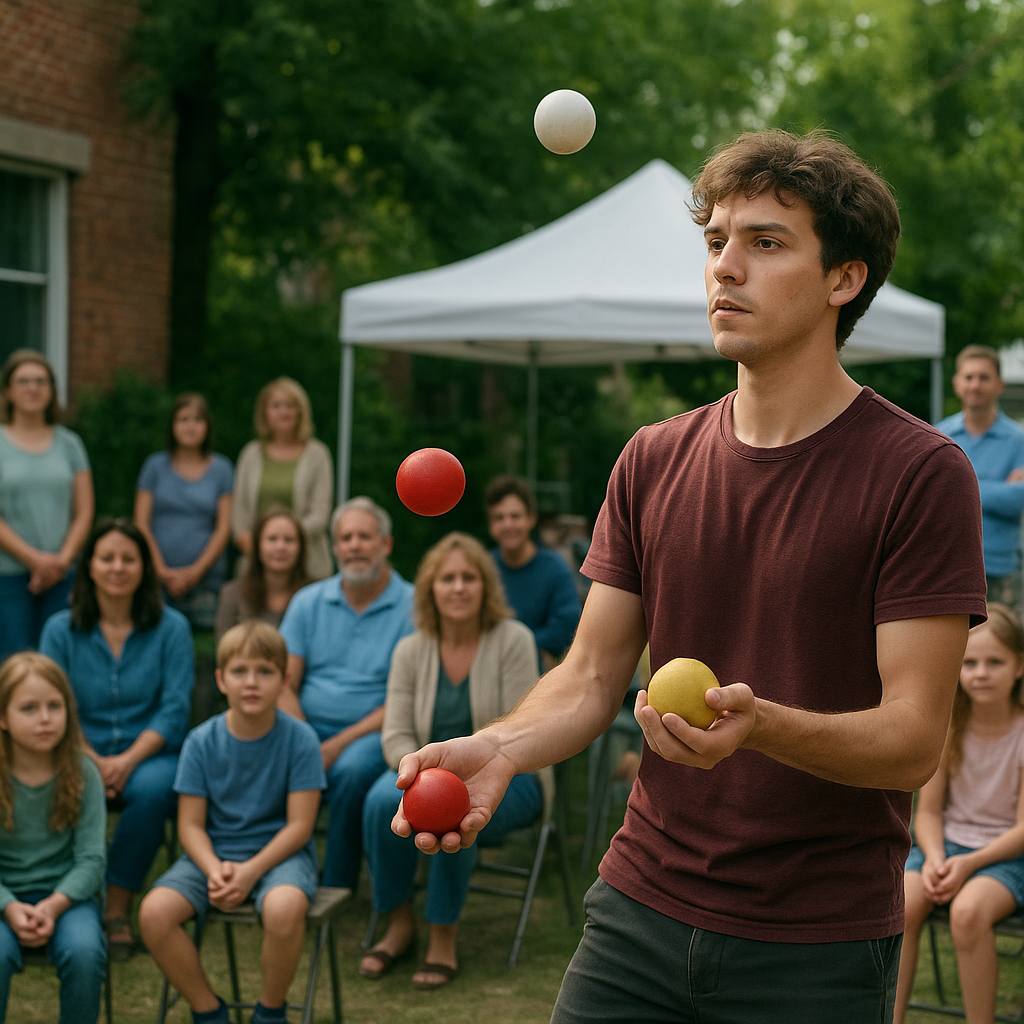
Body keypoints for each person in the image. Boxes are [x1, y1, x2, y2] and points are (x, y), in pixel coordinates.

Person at [391, 129, 988, 1024]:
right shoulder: (652, 459)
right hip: (638, 911)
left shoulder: (920, 472)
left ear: (844, 278)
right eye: (715, 241)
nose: (726, 268)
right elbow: (591, 676)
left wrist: (761, 728)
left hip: (815, 945)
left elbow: (912, 739)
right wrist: (503, 748)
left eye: (766, 243)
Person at [359, 532, 547, 989]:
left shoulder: (514, 639)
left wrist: (449, 780)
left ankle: (443, 933)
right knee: (378, 800)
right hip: (422, 772)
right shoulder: (410, 649)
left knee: (452, 812)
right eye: (447, 578)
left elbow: (525, 727)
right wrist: (417, 771)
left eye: (468, 577)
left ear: (486, 586)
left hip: (510, 776)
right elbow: (397, 732)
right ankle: (398, 921)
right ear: (430, 589)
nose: (458, 587)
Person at [138, 621, 325, 1024]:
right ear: (221, 680)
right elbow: (189, 825)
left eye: (265, 671)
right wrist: (215, 870)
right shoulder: (201, 741)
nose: (251, 683)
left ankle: (269, 1012)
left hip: (278, 857)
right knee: (154, 913)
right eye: (240, 672)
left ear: (285, 680)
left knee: (284, 907)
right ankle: (208, 1011)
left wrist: (250, 871)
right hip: (213, 855)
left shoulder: (301, 740)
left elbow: (299, 826)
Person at [39, 518, 194, 959]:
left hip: (149, 755)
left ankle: (116, 908)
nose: (118, 567)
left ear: (144, 568)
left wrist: (125, 761)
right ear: (89, 567)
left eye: (129, 559)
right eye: (107, 558)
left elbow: (175, 710)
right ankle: (57, 898)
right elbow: (54, 702)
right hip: (72, 749)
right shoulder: (59, 629)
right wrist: (89, 757)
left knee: (151, 790)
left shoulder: (172, 629)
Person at [894, 603, 1024, 1024]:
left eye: (994, 662)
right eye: (969, 662)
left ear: (1019, 667)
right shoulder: (947, 726)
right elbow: (928, 813)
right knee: (903, 902)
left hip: (1004, 855)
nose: (981, 673)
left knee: (968, 914)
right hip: (946, 846)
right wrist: (935, 858)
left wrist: (969, 863)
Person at [278, 496, 414, 889]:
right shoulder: (308, 602)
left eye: (364, 537)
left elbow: (402, 699)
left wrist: (335, 746)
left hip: (373, 732)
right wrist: (307, 740)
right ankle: (255, 868)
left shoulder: (414, 606)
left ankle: (335, 884)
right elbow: (284, 682)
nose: (354, 546)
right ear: (335, 547)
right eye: (345, 538)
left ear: (385, 545)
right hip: (304, 727)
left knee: (351, 770)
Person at [0, 652, 106, 1024]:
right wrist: (10, 907)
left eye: (54, 706)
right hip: (3, 899)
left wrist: (54, 905)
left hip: (68, 898)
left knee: (85, 952)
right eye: (29, 708)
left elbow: (91, 859)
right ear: (3, 718)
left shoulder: (84, 772)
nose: (45, 719)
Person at [0, 350, 94, 662]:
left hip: (63, 575)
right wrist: (34, 559)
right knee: (13, 665)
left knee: (60, 663)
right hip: (8, 576)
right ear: (8, 391)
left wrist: (61, 562)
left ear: (52, 390)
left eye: (41, 381)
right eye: (23, 381)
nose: (32, 388)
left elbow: (84, 511)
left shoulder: (70, 444)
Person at [133, 392, 234, 632]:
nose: (190, 426)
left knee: (205, 648)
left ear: (208, 426)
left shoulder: (222, 469)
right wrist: (160, 571)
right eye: (183, 419)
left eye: (198, 419)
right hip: (156, 578)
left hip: (206, 579)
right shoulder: (154, 467)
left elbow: (224, 528)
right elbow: (141, 523)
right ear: (172, 426)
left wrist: (195, 572)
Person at [936, 346, 1024, 612]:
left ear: (999, 385)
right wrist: (999, 488)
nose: (975, 384)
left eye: (984, 377)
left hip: (1001, 569)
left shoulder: (1018, 439)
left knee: (1006, 648)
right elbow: (935, 500)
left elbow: (1016, 502)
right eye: (969, 377)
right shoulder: (938, 436)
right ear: (956, 383)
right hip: (949, 568)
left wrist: (956, 487)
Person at [232, 377, 334, 581]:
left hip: (309, 567)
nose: (283, 412)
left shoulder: (317, 454)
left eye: (290, 406)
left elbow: (320, 515)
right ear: (264, 413)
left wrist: (285, 543)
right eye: (276, 406)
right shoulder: (250, 454)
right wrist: (256, 547)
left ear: (300, 412)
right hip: (256, 570)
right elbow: (239, 513)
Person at [484, 475, 581, 669]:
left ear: (531, 519)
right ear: (490, 525)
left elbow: (567, 624)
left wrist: (517, 648)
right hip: (487, 668)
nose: (508, 525)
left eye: (515, 516)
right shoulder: (483, 567)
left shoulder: (555, 568)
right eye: (499, 518)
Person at [214, 507, 309, 643]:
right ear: (257, 546)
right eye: (272, 539)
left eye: (289, 540)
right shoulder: (232, 594)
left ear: (301, 548)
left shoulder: (315, 596)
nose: (280, 546)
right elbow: (224, 652)